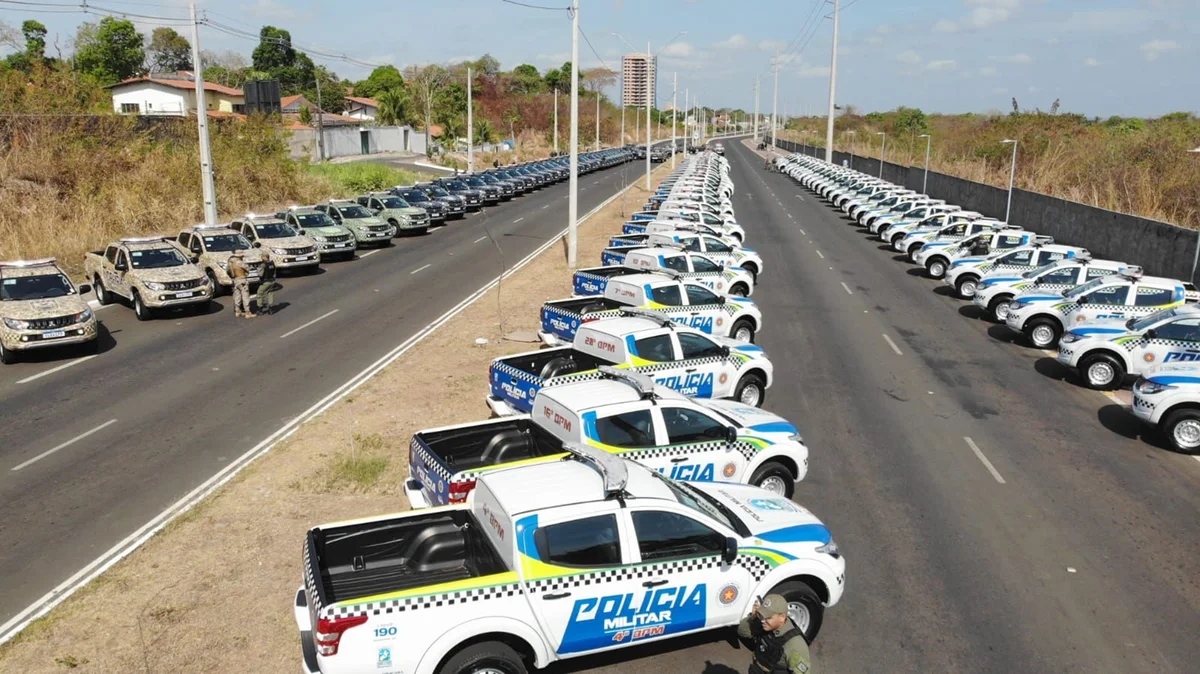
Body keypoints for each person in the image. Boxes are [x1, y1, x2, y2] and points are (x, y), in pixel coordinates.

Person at [737, 594, 812, 674]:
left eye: (768, 618)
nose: (762, 620)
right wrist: (753, 617)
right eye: (761, 616)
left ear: (782, 617)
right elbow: (742, 632)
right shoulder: (765, 624)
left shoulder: (795, 645)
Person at [227, 252, 254, 319]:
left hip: (235, 280)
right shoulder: (240, 263)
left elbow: (228, 271)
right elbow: (247, 269)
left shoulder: (231, 263)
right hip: (242, 280)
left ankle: (237, 311)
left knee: (237, 296)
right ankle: (248, 312)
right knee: (245, 296)